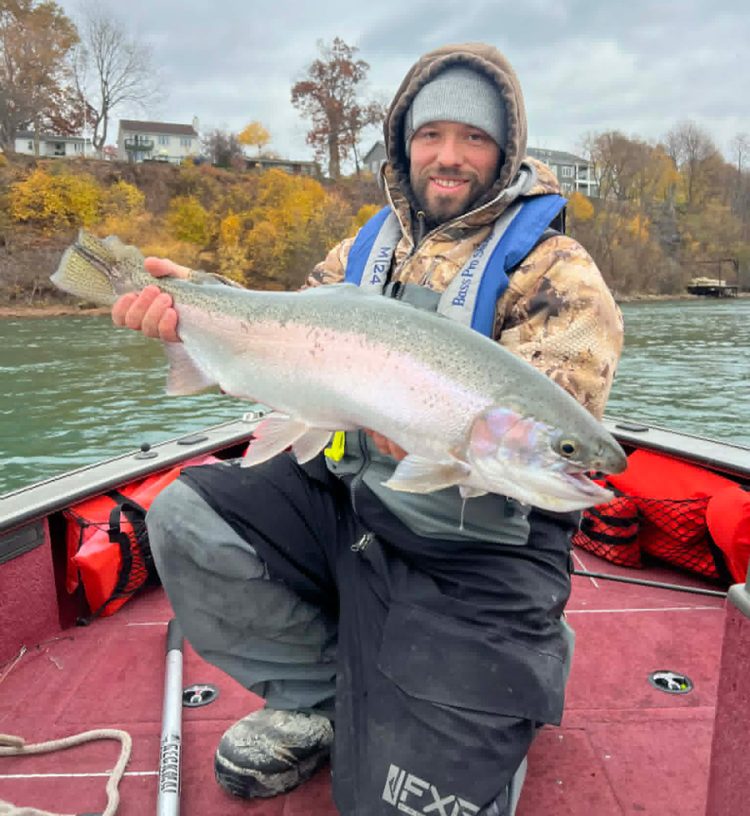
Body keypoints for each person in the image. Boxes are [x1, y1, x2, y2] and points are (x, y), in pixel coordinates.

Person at [113, 42, 623, 816]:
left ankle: (490, 685)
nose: (449, 157)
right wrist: (197, 310)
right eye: (431, 135)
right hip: (356, 507)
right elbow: (276, 332)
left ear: (503, 150)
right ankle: (330, 695)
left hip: (476, 555)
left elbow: (551, 420)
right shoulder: (360, 250)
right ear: (406, 143)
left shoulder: (561, 274)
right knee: (186, 517)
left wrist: (441, 431)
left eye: (474, 139)